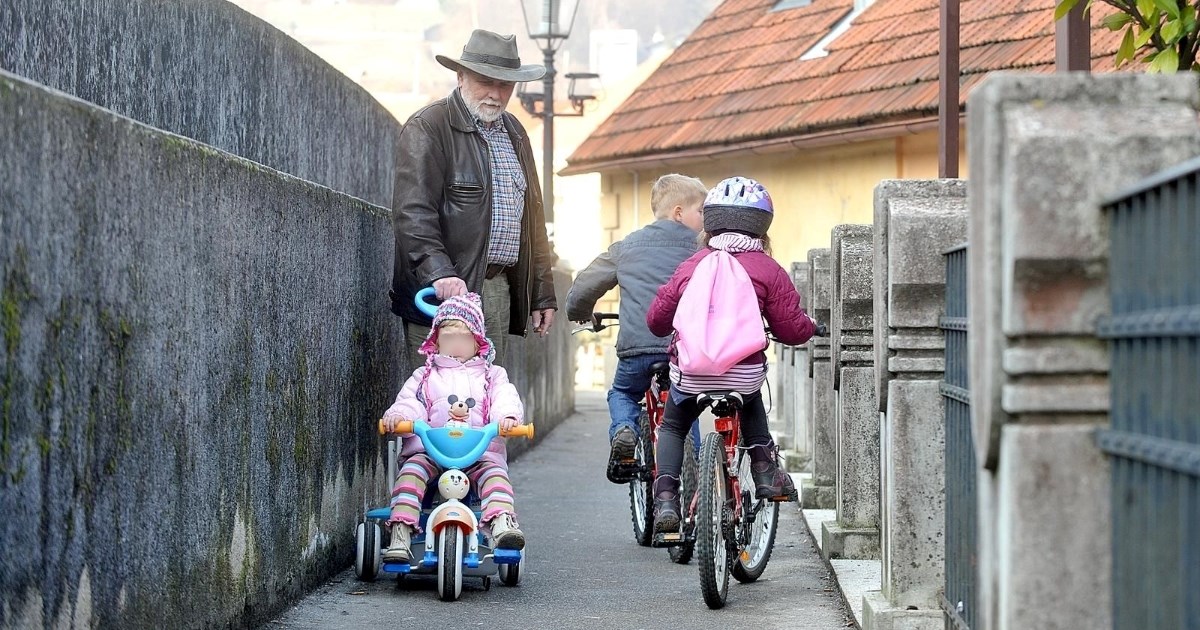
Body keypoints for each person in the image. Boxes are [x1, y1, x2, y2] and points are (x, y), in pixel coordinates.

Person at [645, 176, 818, 533]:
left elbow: (657, 320)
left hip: (692, 374)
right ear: (762, 226)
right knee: (751, 399)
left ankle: (665, 499)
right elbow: (789, 329)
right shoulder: (768, 269)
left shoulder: (693, 265)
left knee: (674, 425)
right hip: (742, 375)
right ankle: (764, 470)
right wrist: (811, 326)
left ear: (709, 222)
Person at [390, 28, 558, 373]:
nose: (496, 94)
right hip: (444, 294)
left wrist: (542, 292)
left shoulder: (515, 132)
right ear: (461, 75)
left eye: (505, 85)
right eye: (486, 81)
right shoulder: (429, 127)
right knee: (435, 403)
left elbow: (532, 221)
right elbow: (412, 213)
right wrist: (440, 274)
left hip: (497, 289)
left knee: (487, 402)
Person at [565, 174, 707, 483]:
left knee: (623, 392)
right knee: (686, 402)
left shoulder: (626, 247)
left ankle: (625, 430)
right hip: (684, 351)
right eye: (702, 212)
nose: (706, 220)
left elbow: (582, 288)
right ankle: (694, 469)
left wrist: (581, 313)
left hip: (636, 348)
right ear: (679, 212)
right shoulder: (704, 251)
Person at [379, 293, 527, 563]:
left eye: (463, 337)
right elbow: (412, 402)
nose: (456, 344)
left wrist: (506, 418)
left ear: (478, 341)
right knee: (411, 472)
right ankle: (400, 533)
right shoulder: (426, 375)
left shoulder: (492, 375)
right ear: (436, 341)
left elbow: (504, 396)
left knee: (495, 476)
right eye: (448, 337)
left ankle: (502, 525)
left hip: (477, 451)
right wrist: (399, 416)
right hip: (431, 449)